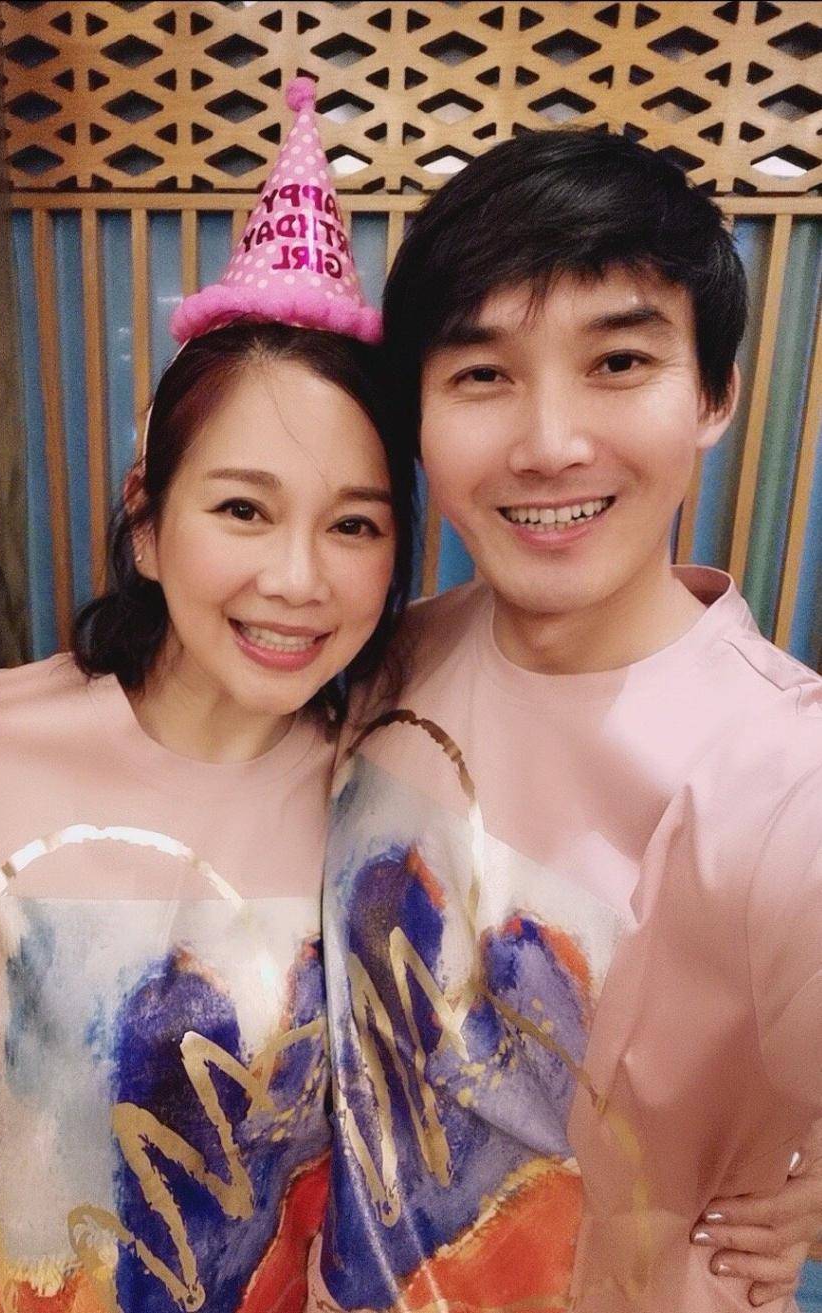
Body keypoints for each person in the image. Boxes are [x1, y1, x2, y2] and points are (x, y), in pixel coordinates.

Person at [0, 82, 416, 1313]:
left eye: (354, 524)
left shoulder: (400, 787)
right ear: (146, 520)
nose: (297, 578)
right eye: (243, 507)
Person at [312, 128, 822, 1312]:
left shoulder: (781, 776)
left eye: (619, 362)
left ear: (713, 394)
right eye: (482, 374)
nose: (549, 445)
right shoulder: (384, 657)